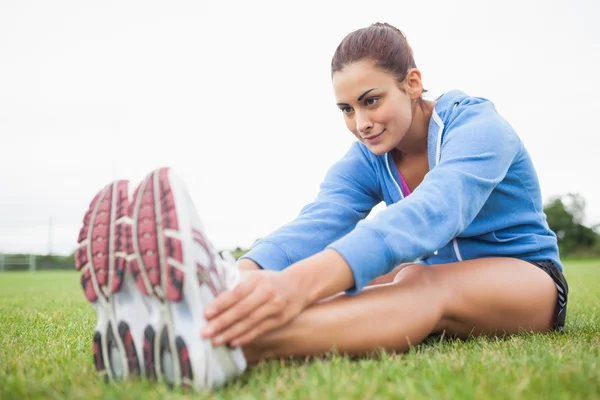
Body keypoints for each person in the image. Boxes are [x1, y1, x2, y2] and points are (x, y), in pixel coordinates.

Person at [76, 22, 568, 392]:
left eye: (371, 101)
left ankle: (230, 347)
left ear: (413, 83)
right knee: (373, 279)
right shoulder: (369, 158)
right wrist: (245, 276)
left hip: (527, 279)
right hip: (452, 278)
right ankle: (207, 314)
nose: (361, 122)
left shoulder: (479, 127)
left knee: (414, 278)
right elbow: (319, 222)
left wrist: (295, 286)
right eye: (347, 110)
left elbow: (434, 213)